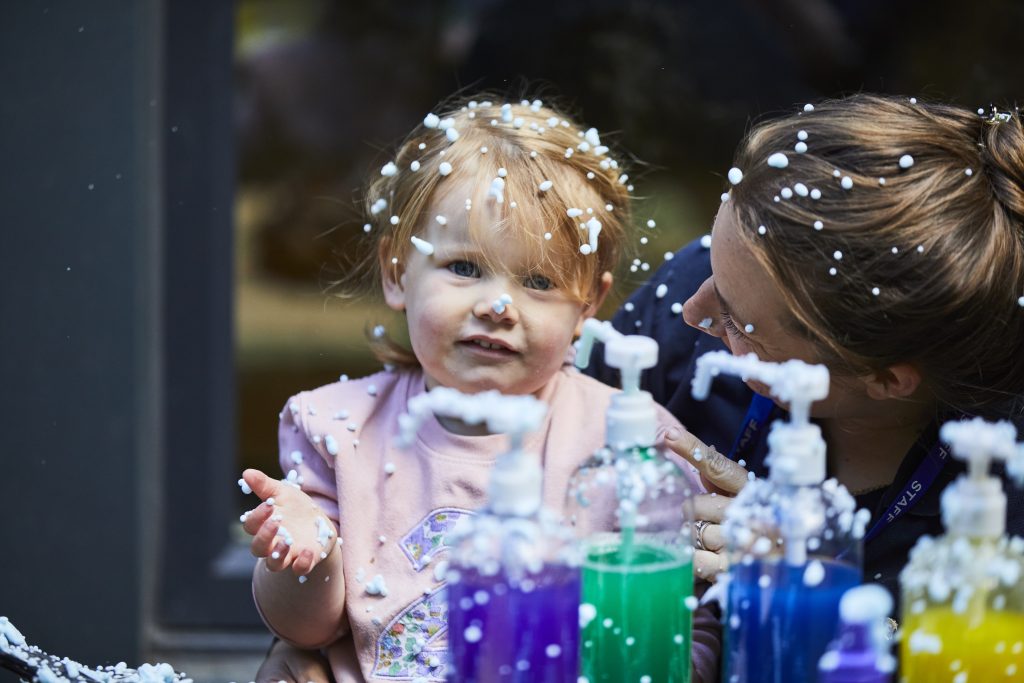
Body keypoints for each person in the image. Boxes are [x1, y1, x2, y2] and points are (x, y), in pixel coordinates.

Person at [239, 94, 701, 683]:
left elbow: (691, 630)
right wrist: (304, 556)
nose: (497, 305)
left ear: (588, 304)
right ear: (397, 273)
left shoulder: (632, 450)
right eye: (464, 267)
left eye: (538, 281)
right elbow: (307, 631)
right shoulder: (337, 427)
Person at [590, 93, 1024, 676]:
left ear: (887, 379)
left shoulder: (1000, 485)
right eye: (709, 266)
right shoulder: (700, 300)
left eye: (739, 323)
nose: (692, 313)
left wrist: (824, 601)